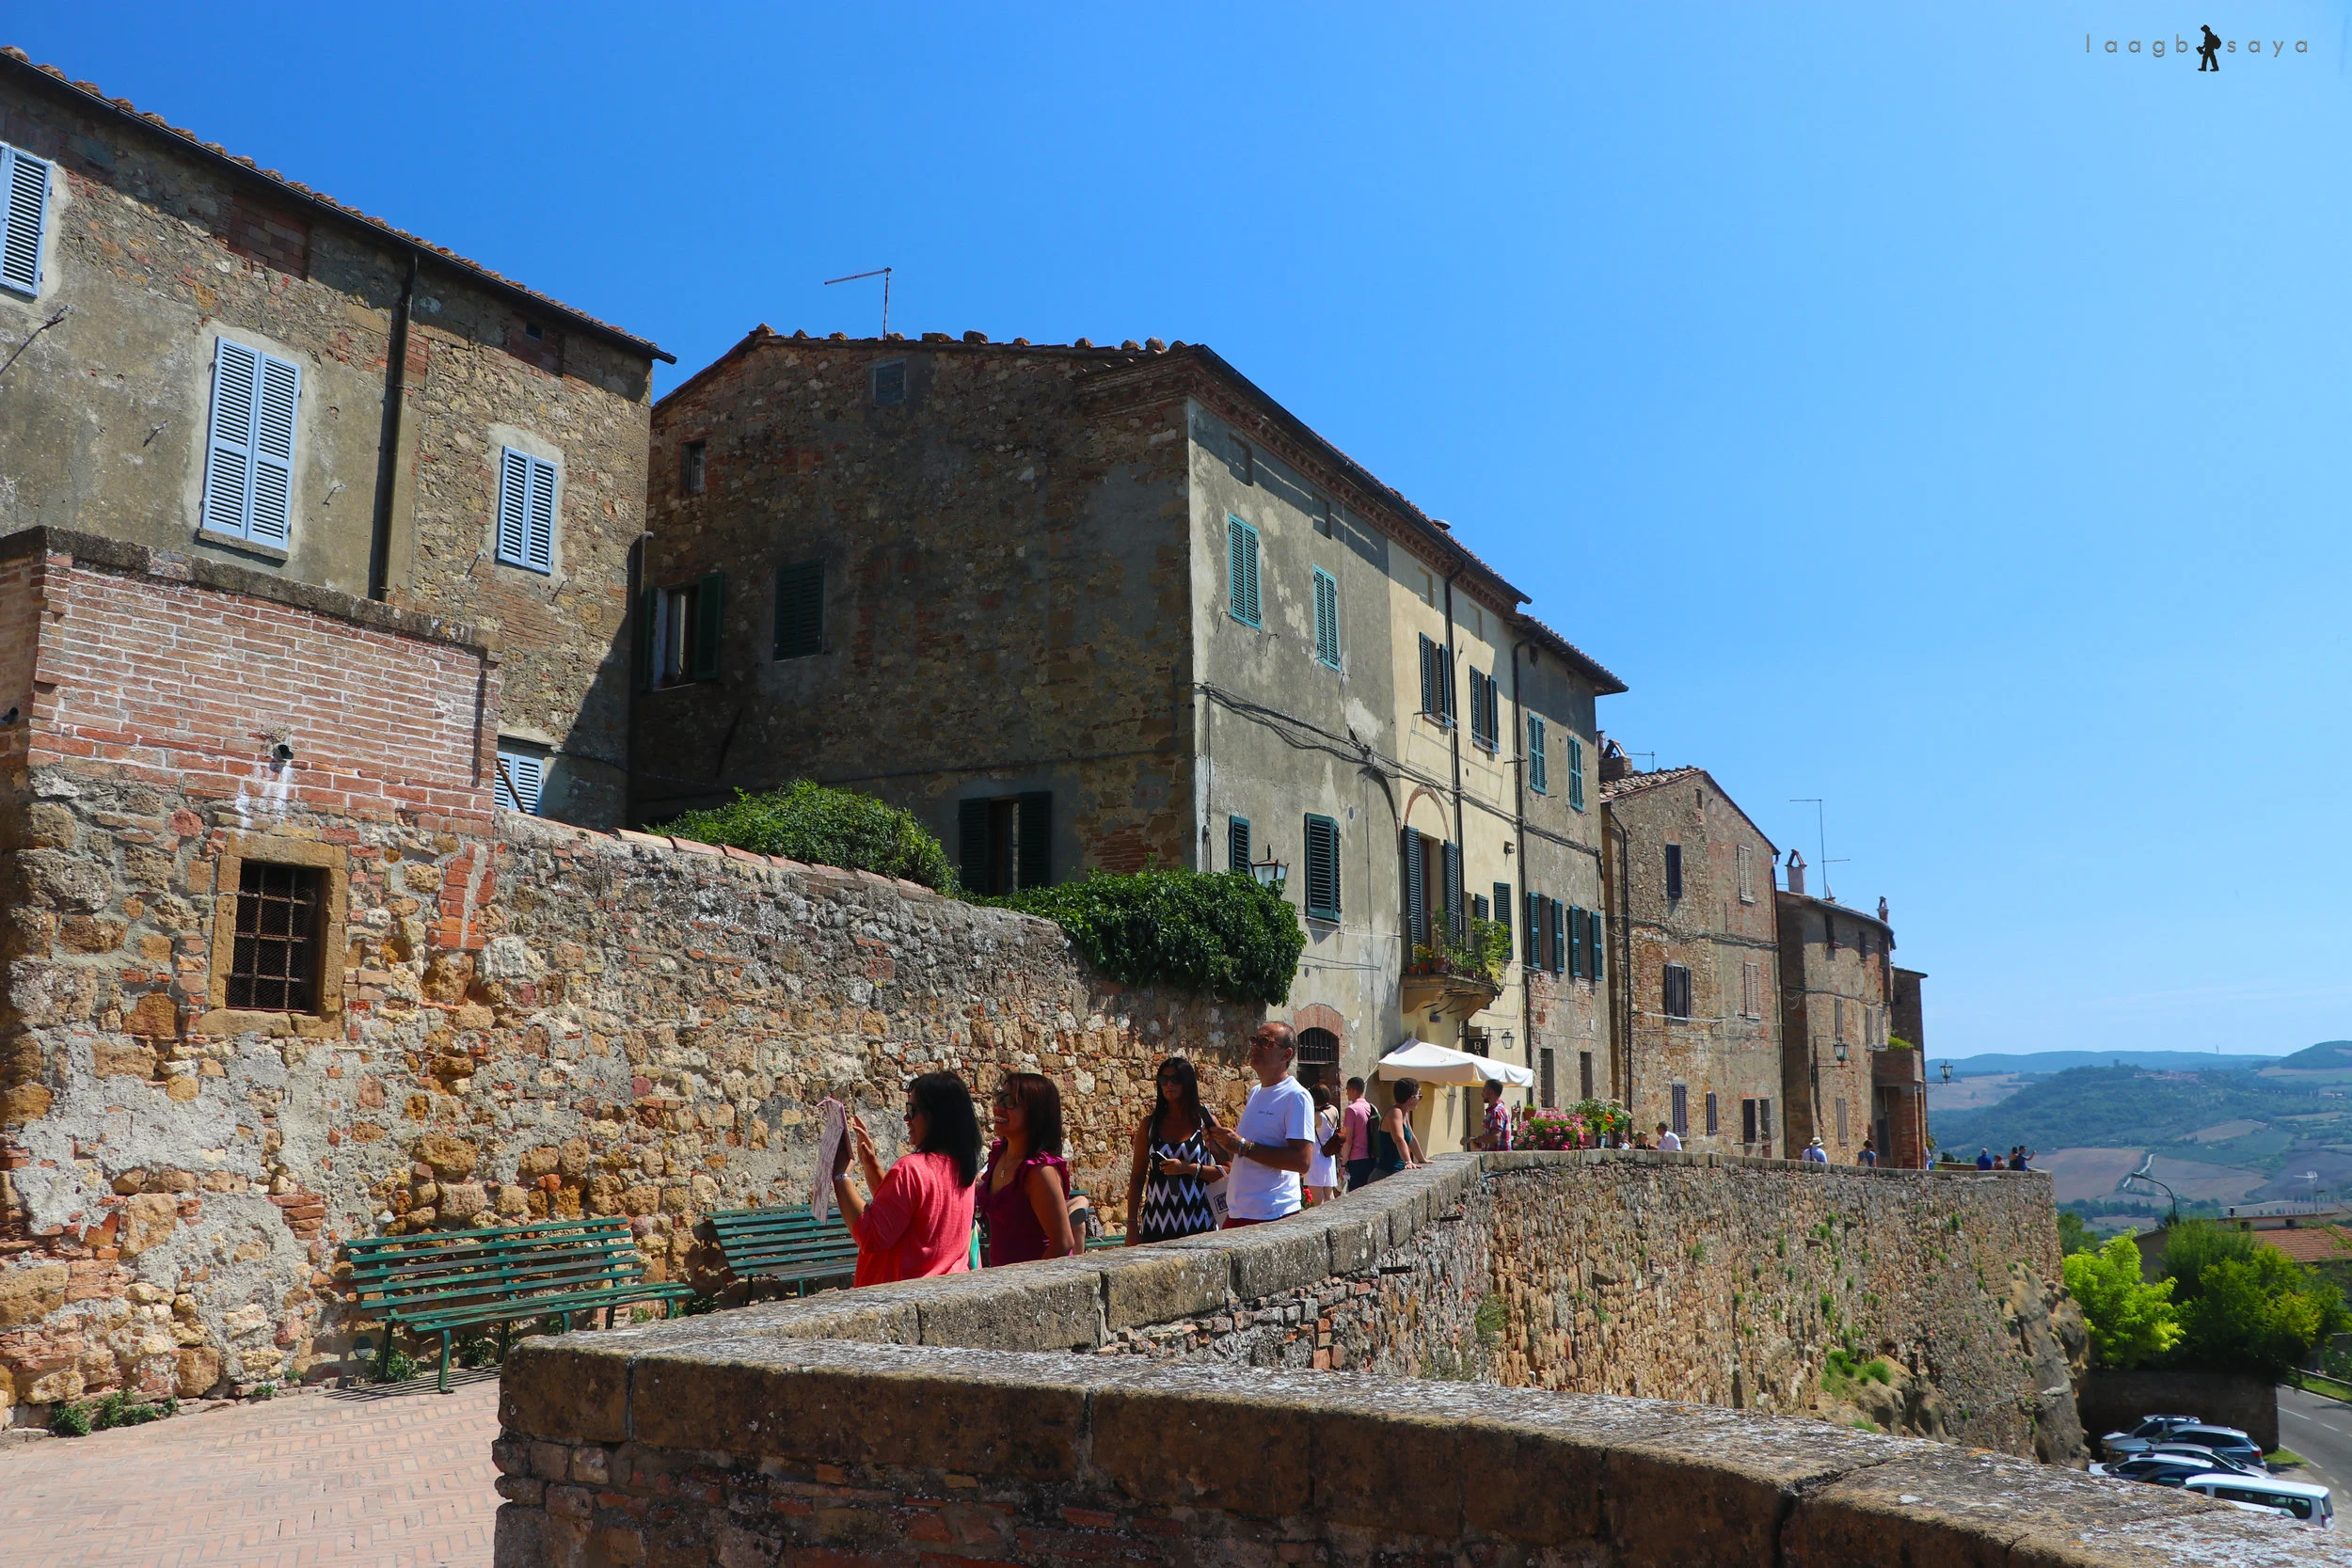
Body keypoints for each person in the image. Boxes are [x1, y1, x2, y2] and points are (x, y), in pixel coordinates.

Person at [830, 1071, 982, 1287]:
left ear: (935, 1116)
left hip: (902, 1297)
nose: (906, 1119)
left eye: (912, 1110)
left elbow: (872, 1237)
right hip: (945, 1291)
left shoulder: (911, 1169)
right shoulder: (961, 1167)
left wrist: (840, 1175)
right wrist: (870, 1164)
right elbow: (899, 1212)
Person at [1203, 1022, 1315, 1227]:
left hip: (1271, 1214)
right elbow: (1244, 1155)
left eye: (1266, 1042)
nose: (1255, 1046)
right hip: (1240, 1211)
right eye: (1255, 1040)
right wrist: (1221, 1144)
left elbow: (1302, 1161)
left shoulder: (1296, 1096)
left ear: (1285, 1054)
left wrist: (1242, 1146)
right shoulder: (1256, 1092)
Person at [1124, 1056, 1224, 1245]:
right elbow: (1137, 1178)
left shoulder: (1204, 1122)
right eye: (1163, 1080)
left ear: (1187, 1082)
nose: (1169, 1084)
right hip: (1157, 1222)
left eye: (1175, 1079)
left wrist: (1188, 1168)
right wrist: (1131, 1225)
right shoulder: (1150, 1125)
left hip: (1198, 1222)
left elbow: (1226, 1170)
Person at [981, 1072, 1077, 1265]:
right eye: (999, 1098)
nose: (998, 1108)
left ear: (1035, 1113)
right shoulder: (999, 1156)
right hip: (1002, 1284)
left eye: (1009, 1102)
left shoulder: (1040, 1172)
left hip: (1033, 1287)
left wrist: (1027, 1285)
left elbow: (1063, 1242)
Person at [1373, 1078, 1425, 1178]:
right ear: (1411, 1098)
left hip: (1396, 1171)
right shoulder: (1395, 1112)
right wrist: (1408, 1161)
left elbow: (1412, 1139)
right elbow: (1398, 1138)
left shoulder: (1404, 1114)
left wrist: (1422, 1159)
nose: (1419, 1099)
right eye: (1419, 1096)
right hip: (1385, 1173)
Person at [1304, 1084, 1341, 1206]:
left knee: (1317, 1198)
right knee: (1329, 1194)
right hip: (1328, 1155)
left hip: (1316, 1157)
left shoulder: (1318, 1116)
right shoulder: (1334, 1110)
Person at [1342, 1077, 1377, 1192]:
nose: (1346, 1093)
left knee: (1356, 1194)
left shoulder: (1351, 1110)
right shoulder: (1370, 1107)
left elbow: (1348, 1140)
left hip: (1356, 1159)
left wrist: (1343, 1164)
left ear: (1352, 1090)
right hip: (1371, 1156)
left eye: (1347, 1090)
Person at [1470, 1079, 1515, 1151]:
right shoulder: (1494, 1111)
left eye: (1484, 1090)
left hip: (1497, 1160)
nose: (1482, 1093)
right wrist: (1477, 1141)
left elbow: (1495, 1138)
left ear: (1491, 1092)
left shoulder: (1497, 1111)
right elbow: (1492, 1139)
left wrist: (1475, 1139)